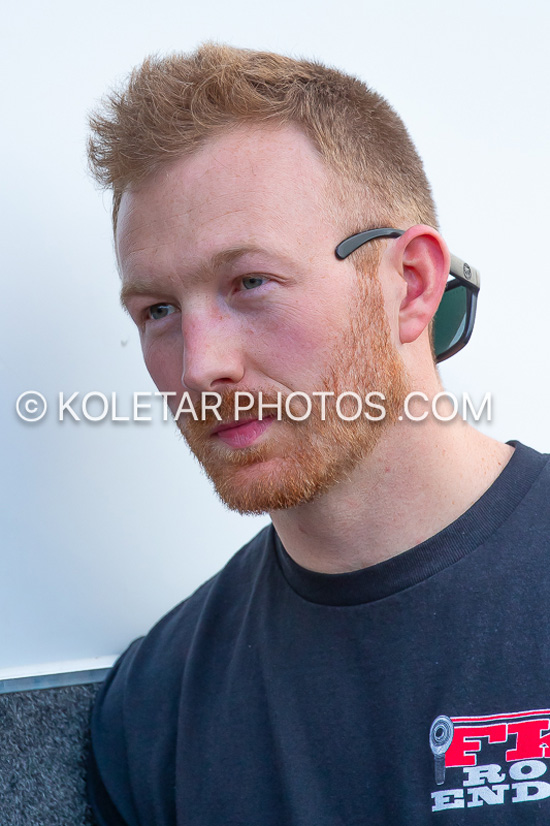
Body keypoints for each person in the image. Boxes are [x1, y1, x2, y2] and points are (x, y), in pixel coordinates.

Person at [86, 44, 550, 825]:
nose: (200, 366)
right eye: (158, 311)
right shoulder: (155, 710)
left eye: (250, 282)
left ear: (411, 285)